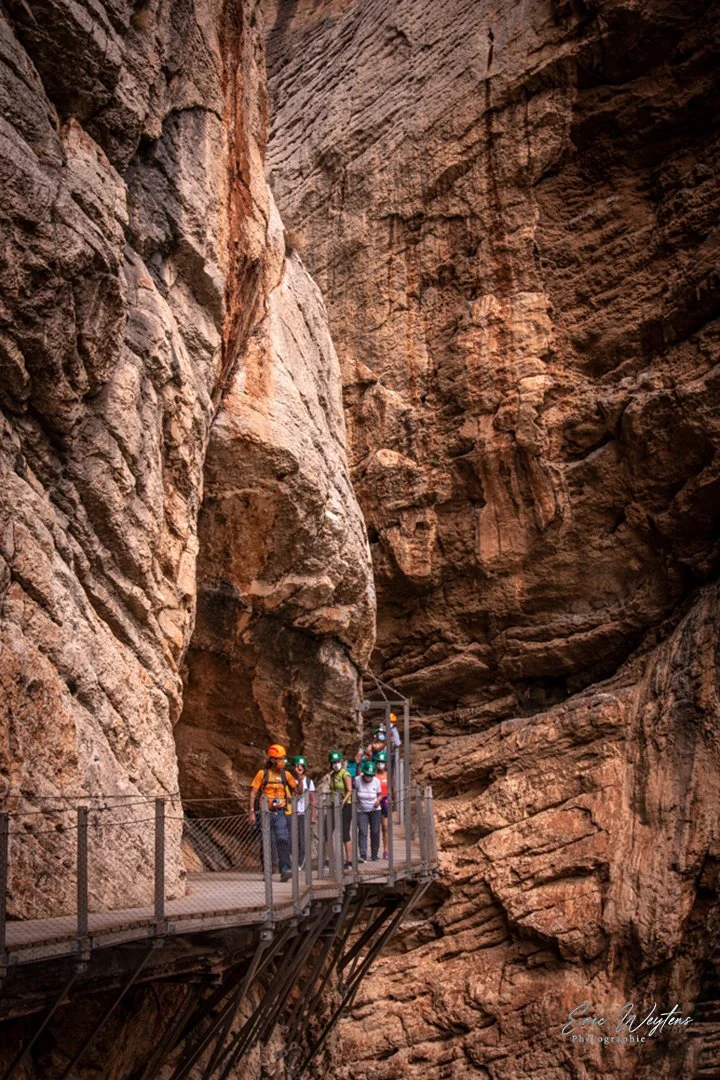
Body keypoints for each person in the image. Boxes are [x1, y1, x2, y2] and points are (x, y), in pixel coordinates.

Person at [248, 744, 296, 882]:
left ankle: (285, 868)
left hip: (280, 811)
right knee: (266, 841)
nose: (283, 761)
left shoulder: (286, 775)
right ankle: (267, 870)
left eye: (284, 759)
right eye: (281, 759)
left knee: (282, 838)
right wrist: (251, 812)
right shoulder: (262, 774)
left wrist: (298, 777)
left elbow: (297, 790)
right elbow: (253, 792)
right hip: (265, 813)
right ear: (273, 760)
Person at [327, 749, 353, 869]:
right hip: (333, 804)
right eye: (333, 762)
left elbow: (349, 790)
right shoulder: (332, 775)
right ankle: (330, 859)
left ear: (341, 762)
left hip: (345, 805)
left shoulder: (345, 774)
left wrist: (343, 801)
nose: (335, 764)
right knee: (327, 831)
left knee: (344, 832)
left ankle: (349, 861)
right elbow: (332, 790)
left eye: (337, 761)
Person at [354, 760, 382, 862]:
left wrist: (378, 801)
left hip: (375, 810)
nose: (368, 777)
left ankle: (374, 854)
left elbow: (379, 795)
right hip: (361, 810)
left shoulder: (376, 781)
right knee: (362, 831)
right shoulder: (358, 780)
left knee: (375, 831)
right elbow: (353, 789)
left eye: (371, 775)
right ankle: (363, 854)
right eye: (367, 775)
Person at [292, 755, 316, 870]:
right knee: (292, 838)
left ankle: (300, 862)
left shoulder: (309, 781)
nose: (300, 767)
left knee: (302, 838)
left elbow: (313, 799)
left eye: (301, 765)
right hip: (292, 813)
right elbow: (297, 794)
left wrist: (313, 815)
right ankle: (293, 860)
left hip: (303, 813)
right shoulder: (290, 780)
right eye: (297, 765)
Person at [374, 749, 389, 859]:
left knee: (385, 827)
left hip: (385, 802)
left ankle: (386, 850)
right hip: (374, 802)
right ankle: (375, 851)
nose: (380, 764)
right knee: (375, 828)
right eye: (379, 762)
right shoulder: (372, 775)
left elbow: (392, 789)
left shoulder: (388, 775)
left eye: (382, 762)